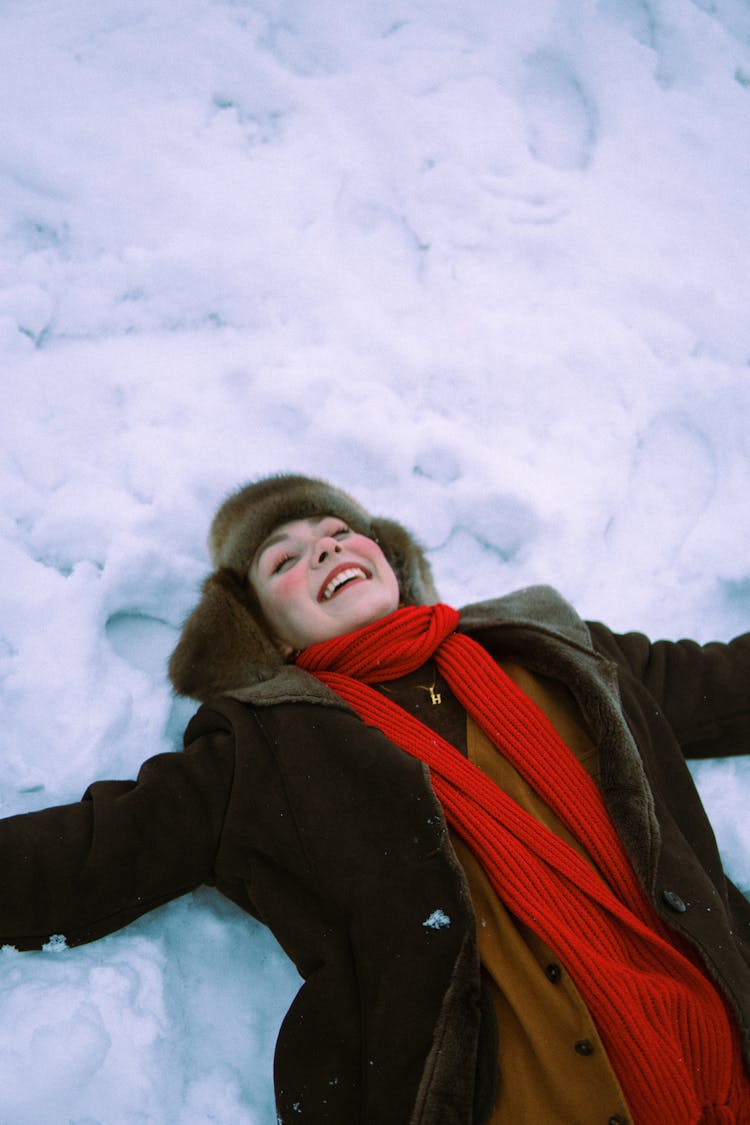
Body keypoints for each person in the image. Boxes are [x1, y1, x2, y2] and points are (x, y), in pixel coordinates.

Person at [1, 472, 749, 1124]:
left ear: (388, 557)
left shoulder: (551, 647)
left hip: (723, 1041)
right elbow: (96, 847)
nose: (325, 548)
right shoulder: (267, 749)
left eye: (339, 531)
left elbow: (724, 685)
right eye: (283, 559)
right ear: (261, 629)